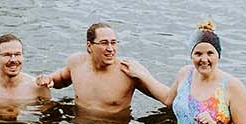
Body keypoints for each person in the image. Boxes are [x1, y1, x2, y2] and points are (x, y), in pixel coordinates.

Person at [37, 22, 170, 116]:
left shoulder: (129, 71)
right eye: (104, 43)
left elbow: (167, 98)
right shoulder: (77, 62)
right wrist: (48, 78)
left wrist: (143, 76)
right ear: (89, 46)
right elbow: (60, 79)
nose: (110, 49)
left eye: (113, 43)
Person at [164, 22, 246, 124]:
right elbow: (168, 100)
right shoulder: (185, 74)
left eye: (210, 53)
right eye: (198, 54)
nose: (204, 59)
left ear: (218, 55)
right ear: (191, 55)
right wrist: (142, 76)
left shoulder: (232, 86)